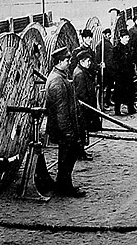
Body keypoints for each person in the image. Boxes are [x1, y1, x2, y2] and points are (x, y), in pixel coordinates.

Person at [45, 47, 86, 197]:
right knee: (66, 158)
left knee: (67, 157)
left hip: (64, 128)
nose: (69, 63)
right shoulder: (57, 81)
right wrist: (68, 133)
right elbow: (61, 112)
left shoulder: (60, 76)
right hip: (63, 129)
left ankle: (64, 185)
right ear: (60, 61)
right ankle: (64, 188)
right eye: (67, 60)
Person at [73, 50, 101, 159]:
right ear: (81, 61)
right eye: (88, 61)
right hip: (83, 108)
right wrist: (87, 107)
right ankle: (80, 153)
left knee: (83, 130)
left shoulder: (83, 71)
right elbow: (80, 94)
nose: (89, 63)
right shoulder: (80, 74)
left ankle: (81, 152)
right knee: (80, 131)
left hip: (86, 106)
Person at [113, 30, 136, 116]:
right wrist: (118, 73)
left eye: (128, 37)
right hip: (120, 75)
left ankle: (131, 108)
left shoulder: (127, 48)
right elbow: (115, 63)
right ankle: (117, 111)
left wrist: (132, 71)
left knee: (130, 91)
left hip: (128, 75)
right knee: (119, 93)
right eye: (126, 37)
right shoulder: (116, 49)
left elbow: (130, 62)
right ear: (121, 38)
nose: (128, 39)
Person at [95, 28, 115, 108]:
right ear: (104, 35)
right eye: (107, 34)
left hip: (110, 69)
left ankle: (108, 100)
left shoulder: (109, 43)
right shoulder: (100, 45)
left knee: (110, 85)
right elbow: (97, 58)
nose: (109, 35)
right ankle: (102, 103)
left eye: (110, 34)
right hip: (104, 69)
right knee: (102, 86)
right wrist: (100, 64)